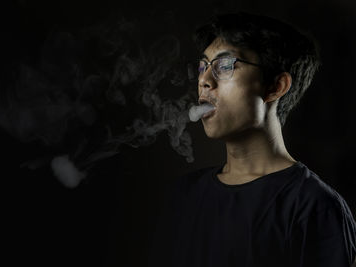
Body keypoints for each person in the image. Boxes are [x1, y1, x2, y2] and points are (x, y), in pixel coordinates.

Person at [147, 12, 356, 267]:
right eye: (203, 66)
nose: (204, 80)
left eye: (224, 66)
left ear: (275, 87)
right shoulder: (184, 195)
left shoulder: (315, 206)